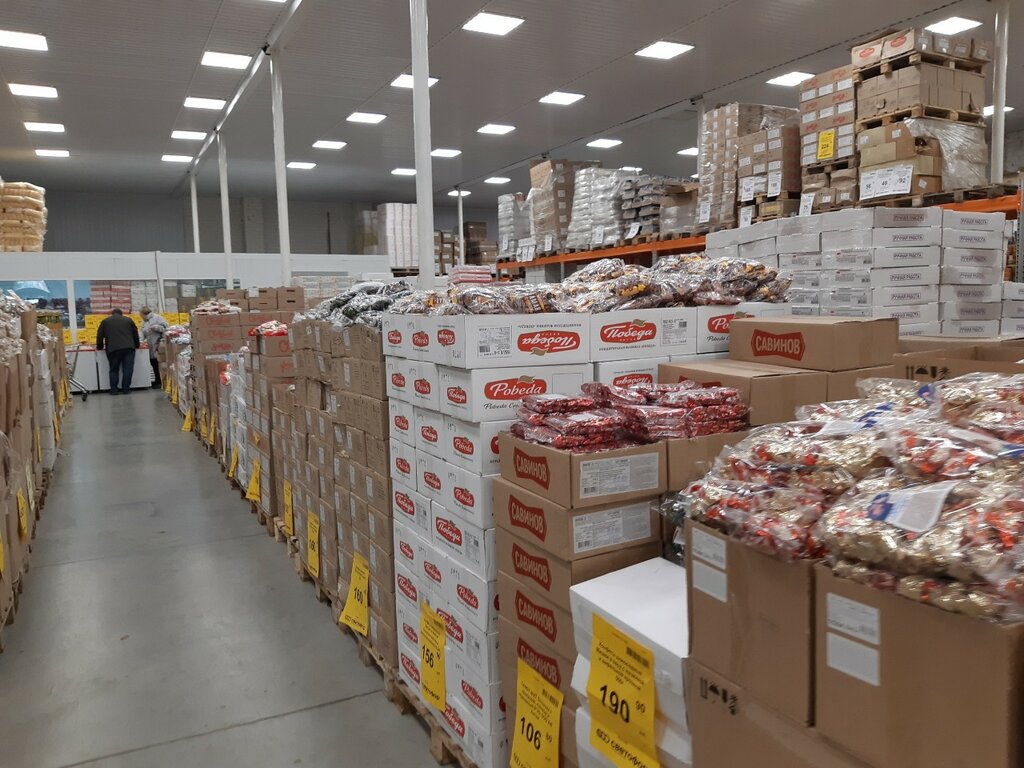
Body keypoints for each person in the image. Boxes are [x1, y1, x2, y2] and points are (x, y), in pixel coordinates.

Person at [95, 308, 140, 395]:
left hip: (113, 349)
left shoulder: (105, 321)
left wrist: (99, 347)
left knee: (114, 369)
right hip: (128, 348)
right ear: (121, 314)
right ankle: (126, 389)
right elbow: (135, 333)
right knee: (128, 369)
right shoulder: (129, 320)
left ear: (112, 314)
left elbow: (99, 335)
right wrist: (137, 345)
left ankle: (114, 390)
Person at [140, 306, 169, 389]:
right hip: (150, 346)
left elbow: (166, 328)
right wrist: (141, 341)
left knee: (159, 363)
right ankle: (157, 380)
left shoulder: (158, 318)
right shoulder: (144, 322)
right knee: (153, 363)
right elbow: (142, 332)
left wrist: (156, 327)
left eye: (141, 314)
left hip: (159, 345)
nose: (140, 316)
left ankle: (162, 381)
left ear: (144, 314)